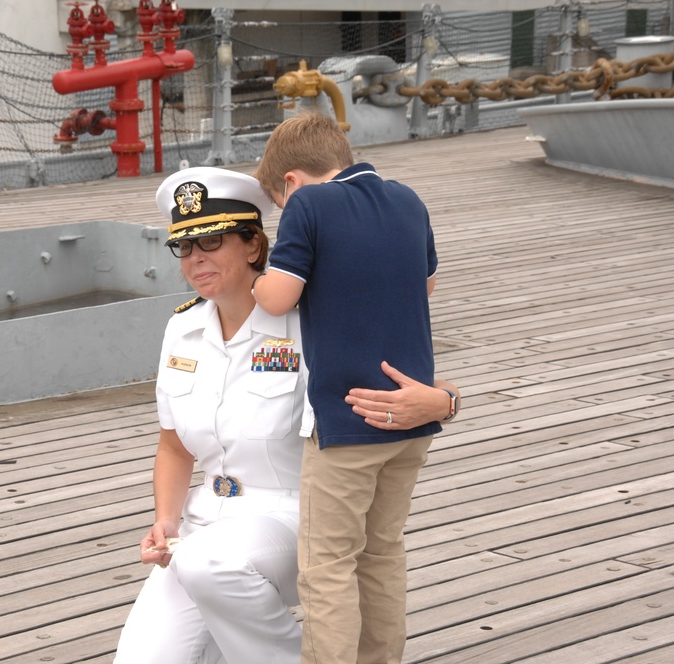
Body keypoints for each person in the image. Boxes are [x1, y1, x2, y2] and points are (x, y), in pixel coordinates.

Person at [113, 165, 459, 664]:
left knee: (211, 565)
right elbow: (173, 445)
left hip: (297, 519)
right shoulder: (182, 330)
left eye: (211, 242)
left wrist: (446, 401)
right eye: (184, 247)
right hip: (204, 525)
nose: (195, 259)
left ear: (253, 245)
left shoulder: (310, 320)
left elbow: (406, 385)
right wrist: (165, 521)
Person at [252, 111, 458, 664]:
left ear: (291, 182)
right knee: (382, 552)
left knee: (327, 565)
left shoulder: (308, 207)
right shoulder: (407, 199)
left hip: (348, 422)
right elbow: (426, 284)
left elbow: (277, 297)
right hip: (412, 417)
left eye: (279, 201)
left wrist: (257, 276)